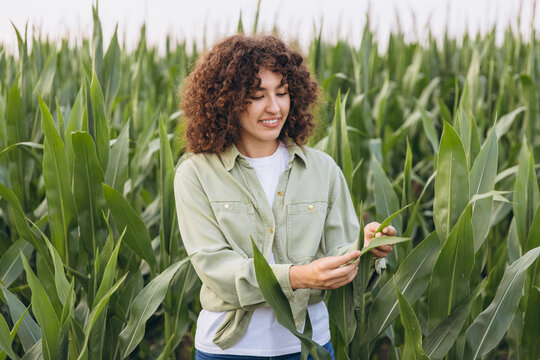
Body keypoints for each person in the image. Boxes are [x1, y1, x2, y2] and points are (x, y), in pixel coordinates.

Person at [174, 34, 396, 359]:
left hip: (309, 347)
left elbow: (341, 255)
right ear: (226, 100)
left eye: (282, 92)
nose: (274, 107)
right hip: (228, 350)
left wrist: (368, 249)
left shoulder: (323, 169)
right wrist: (297, 277)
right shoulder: (195, 174)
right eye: (257, 96)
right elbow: (216, 268)